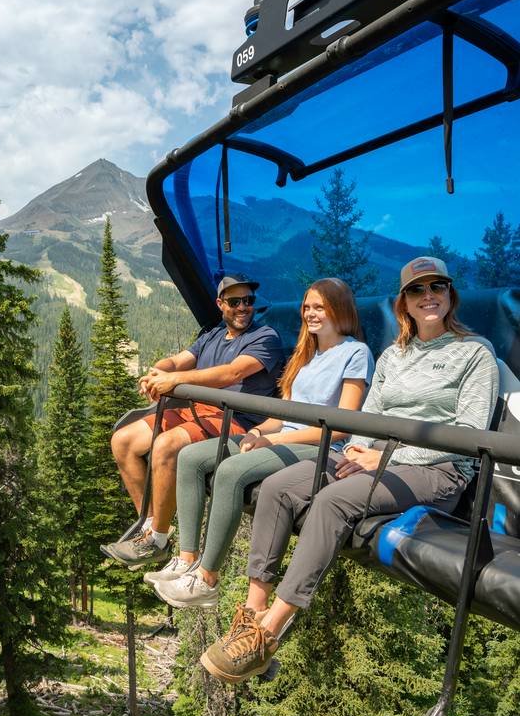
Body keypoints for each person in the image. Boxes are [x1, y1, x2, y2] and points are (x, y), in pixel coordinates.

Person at [200, 256, 500, 684]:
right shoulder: (394, 356)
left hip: (438, 468)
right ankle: (252, 613)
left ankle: (268, 635)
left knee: (333, 500)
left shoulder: (475, 354)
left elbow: (468, 435)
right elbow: (369, 417)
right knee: (280, 487)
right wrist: (359, 449)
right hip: (374, 458)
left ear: (451, 296)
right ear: (405, 304)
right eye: (417, 290)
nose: (428, 296)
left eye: (437, 288)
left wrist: (386, 459)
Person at [147, 278, 374, 608]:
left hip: (320, 446)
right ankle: (186, 558)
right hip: (282, 436)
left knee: (231, 471)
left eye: (319, 307)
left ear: (339, 309)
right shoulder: (304, 355)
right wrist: (258, 433)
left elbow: (340, 426)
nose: (311, 314)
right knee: (192, 458)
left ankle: (207, 579)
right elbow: (282, 414)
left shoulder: (355, 353)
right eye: (307, 307)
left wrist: (271, 440)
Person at [101, 273, 284, 567]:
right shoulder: (211, 335)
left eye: (248, 301)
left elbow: (232, 374)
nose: (243, 308)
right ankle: (150, 525)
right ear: (220, 304)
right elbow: (176, 361)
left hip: (235, 421)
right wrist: (157, 372)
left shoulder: (265, 338)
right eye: (235, 301)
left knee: (167, 445)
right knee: (123, 440)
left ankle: (156, 540)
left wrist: (173, 380)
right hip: (199, 413)